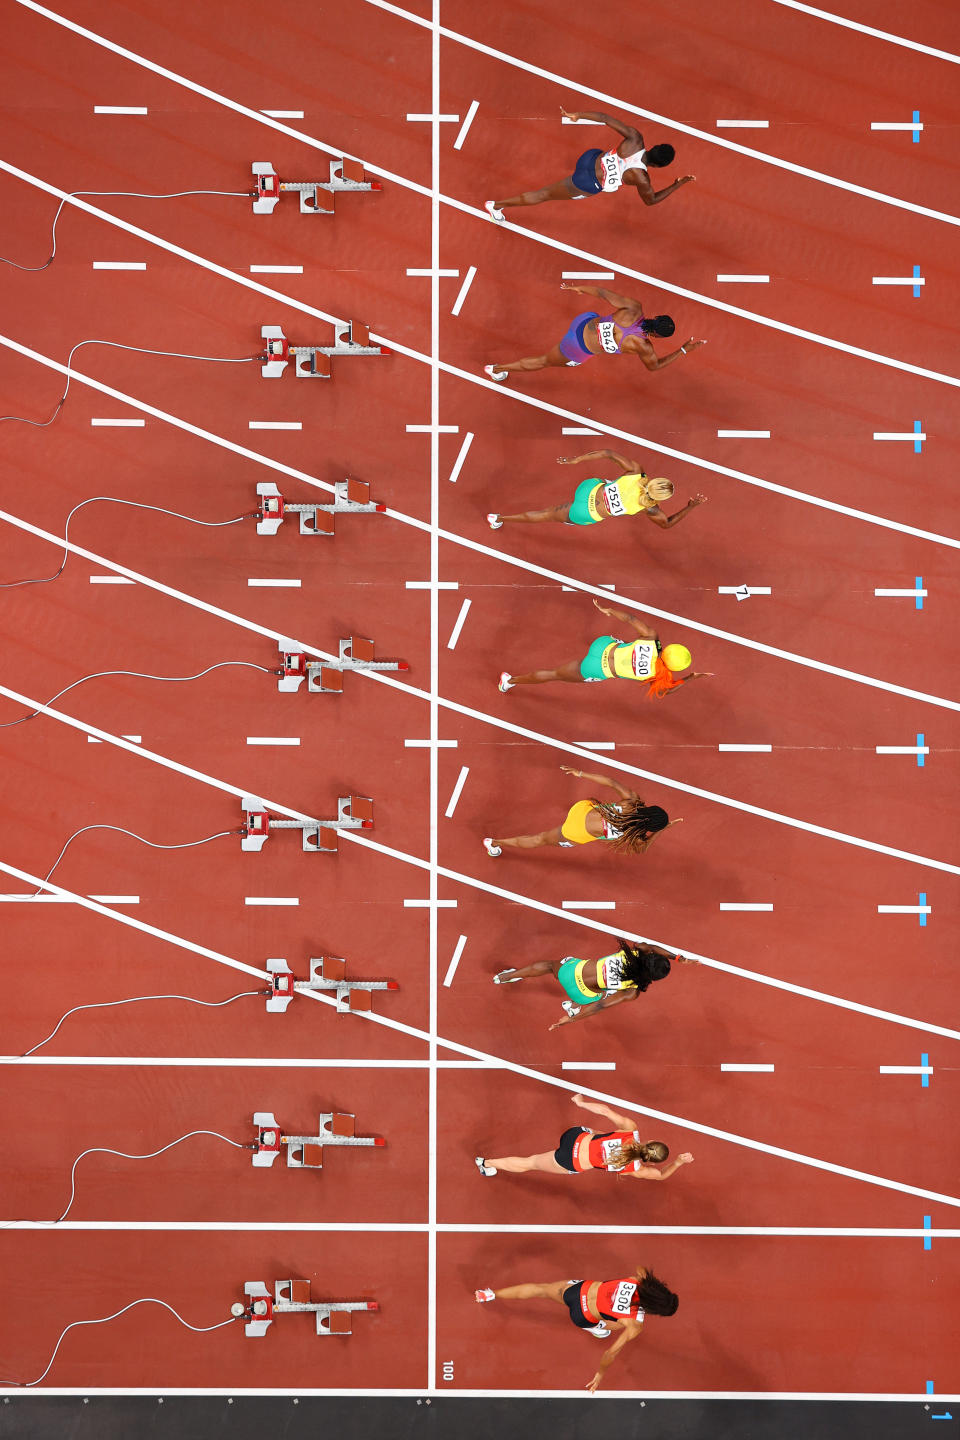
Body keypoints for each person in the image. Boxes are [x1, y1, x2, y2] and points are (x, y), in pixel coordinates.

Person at [474, 1264, 679, 1392]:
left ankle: (490, 1294)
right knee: (615, 1325)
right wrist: (599, 1375)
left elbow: (640, 1267)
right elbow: (610, 1353)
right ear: (655, 1310)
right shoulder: (635, 1323)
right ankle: (596, 1327)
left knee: (540, 1289)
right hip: (582, 1317)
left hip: (579, 1290)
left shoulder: (639, 1279)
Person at [484, 106, 695, 222]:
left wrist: (577, 115)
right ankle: (496, 206)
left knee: (601, 157)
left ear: (653, 147)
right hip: (585, 182)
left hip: (589, 158)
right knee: (543, 195)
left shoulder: (635, 138)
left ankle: (499, 206)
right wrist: (679, 184)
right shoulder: (642, 179)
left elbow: (604, 117)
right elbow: (651, 201)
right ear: (658, 167)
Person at [483, 283, 705, 384]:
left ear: (656, 318)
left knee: (599, 315)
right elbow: (654, 367)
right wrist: (684, 349)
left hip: (582, 323)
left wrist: (579, 288)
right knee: (543, 361)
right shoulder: (644, 347)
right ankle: (496, 369)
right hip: (576, 349)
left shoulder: (633, 308)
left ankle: (498, 368)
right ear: (656, 336)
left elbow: (601, 292)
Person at [498, 597, 712, 697]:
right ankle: (509, 682)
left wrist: (608, 610)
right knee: (556, 674)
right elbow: (668, 690)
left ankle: (510, 681)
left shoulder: (652, 638)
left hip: (603, 645)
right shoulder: (658, 676)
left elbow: (629, 618)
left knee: (626, 644)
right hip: (596, 667)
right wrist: (692, 677)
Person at [492, 935, 698, 1028]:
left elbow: (652, 946)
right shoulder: (632, 991)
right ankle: (572, 1006)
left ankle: (505, 977)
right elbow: (600, 1006)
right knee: (603, 993)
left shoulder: (637, 951)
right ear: (653, 978)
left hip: (570, 971)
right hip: (581, 994)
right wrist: (571, 1020)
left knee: (548, 966)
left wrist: (678, 958)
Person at [475, 1093, 694, 1179]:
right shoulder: (636, 1170)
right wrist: (679, 1162)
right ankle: (486, 1163)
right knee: (530, 1162)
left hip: (575, 1135)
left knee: (602, 1135)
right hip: (571, 1160)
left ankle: (488, 1163)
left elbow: (605, 1111)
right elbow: (662, 1176)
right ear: (648, 1160)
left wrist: (580, 1103)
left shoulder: (630, 1129)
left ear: (648, 1142)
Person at [482, 765, 681, 858]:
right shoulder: (635, 835)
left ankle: (495, 844)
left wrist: (580, 773)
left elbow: (611, 782)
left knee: (599, 809)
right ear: (650, 827)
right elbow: (642, 850)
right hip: (575, 831)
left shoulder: (633, 801)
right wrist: (664, 829)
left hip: (582, 808)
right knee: (539, 839)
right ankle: (494, 843)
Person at [487, 448, 707, 531]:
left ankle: (500, 517)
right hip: (587, 513)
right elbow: (667, 525)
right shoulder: (650, 509)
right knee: (548, 514)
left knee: (605, 483)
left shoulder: (636, 473)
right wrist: (690, 507)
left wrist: (576, 460)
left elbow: (608, 453)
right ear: (660, 497)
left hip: (589, 488)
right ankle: (498, 518)